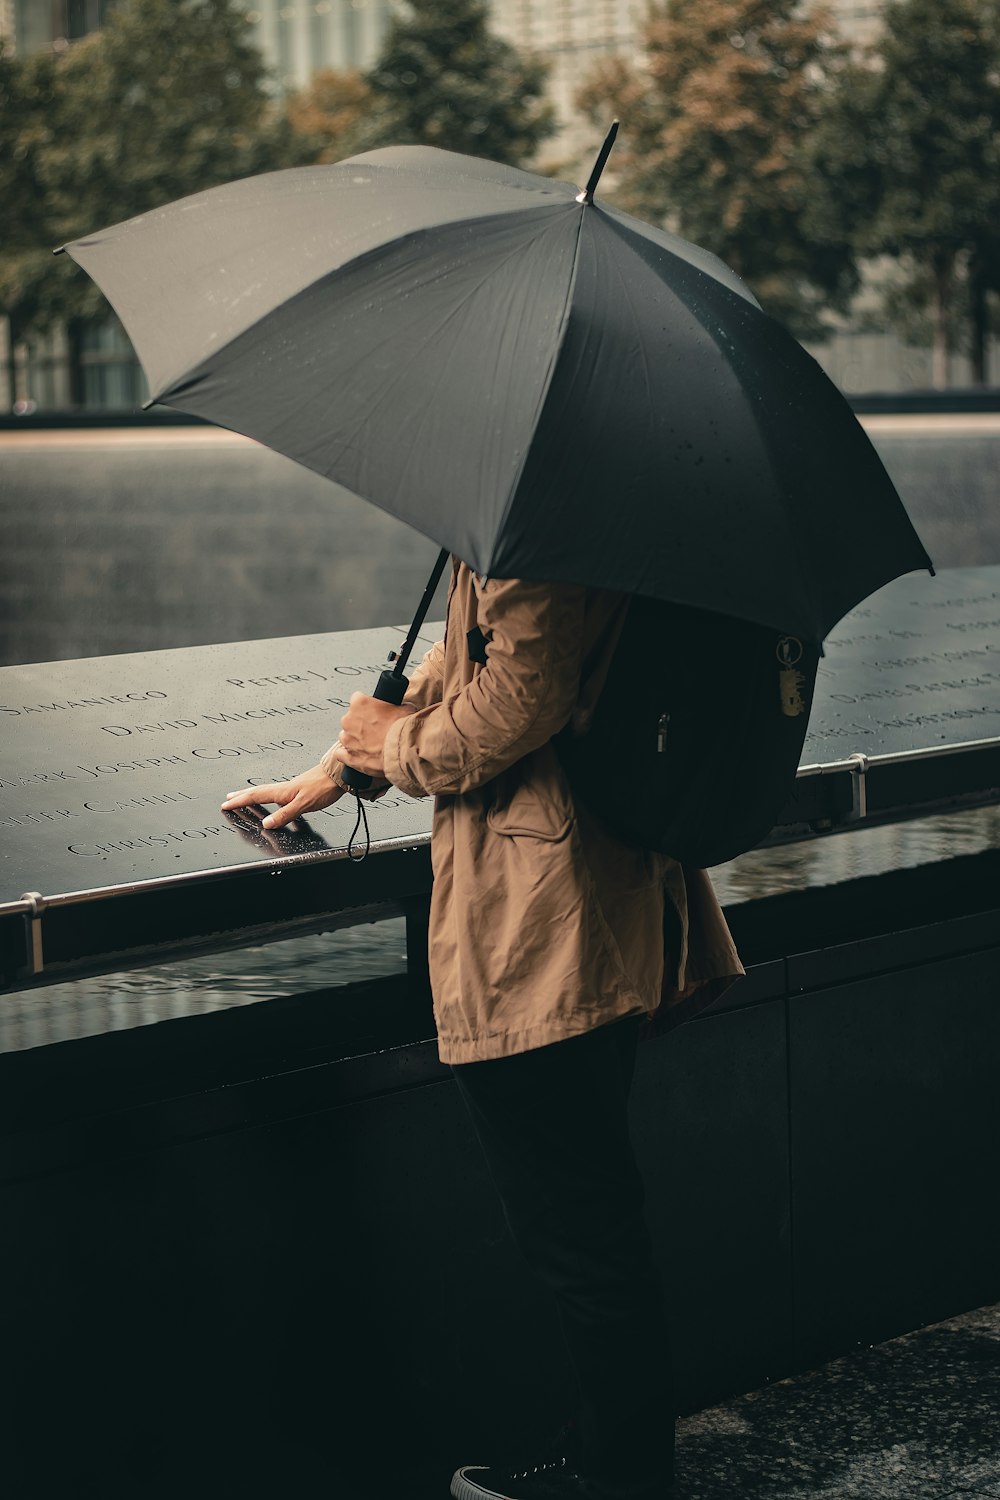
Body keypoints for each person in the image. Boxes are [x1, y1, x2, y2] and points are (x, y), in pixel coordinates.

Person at [221, 560, 743, 1500]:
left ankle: (623, 1482)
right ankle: (607, 1458)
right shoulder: (586, 492)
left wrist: (393, 748)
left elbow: (521, 692)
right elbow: (485, 651)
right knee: (587, 1221)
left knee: (584, 1236)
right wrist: (347, 762)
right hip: (595, 885)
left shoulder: (544, 518)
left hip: (543, 912)